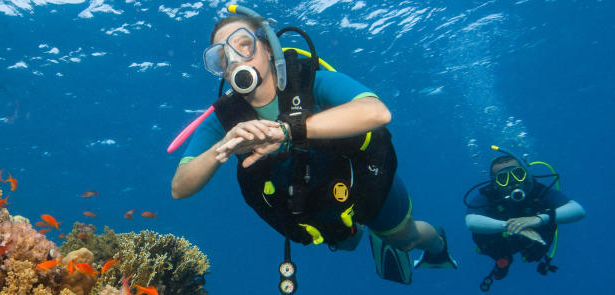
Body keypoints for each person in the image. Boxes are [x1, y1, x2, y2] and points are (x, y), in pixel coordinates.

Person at [169, 5, 453, 292]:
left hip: (367, 182)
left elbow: (377, 112)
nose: (235, 59)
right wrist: (223, 145)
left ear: (268, 49)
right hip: (321, 203)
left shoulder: (309, 81)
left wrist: (286, 131)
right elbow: (179, 188)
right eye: (222, 57)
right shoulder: (225, 119)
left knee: (404, 238)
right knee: (347, 243)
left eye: (245, 45)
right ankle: (362, 233)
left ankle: (437, 245)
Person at [463, 147, 585, 292]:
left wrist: (539, 219)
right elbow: (471, 221)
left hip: (534, 242)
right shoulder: (489, 194)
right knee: (484, 239)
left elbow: (577, 210)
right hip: (500, 241)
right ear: (494, 183)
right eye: (503, 178)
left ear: (526, 174)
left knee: (541, 240)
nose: (512, 182)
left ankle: (524, 254)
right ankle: (503, 259)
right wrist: (511, 225)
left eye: (518, 174)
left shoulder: (538, 190)